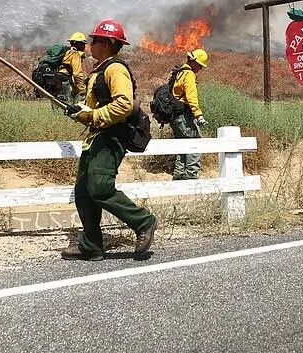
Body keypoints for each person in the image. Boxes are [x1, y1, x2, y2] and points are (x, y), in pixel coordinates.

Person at [61, 19, 157, 261]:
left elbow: (124, 103)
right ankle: (91, 246)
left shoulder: (115, 69)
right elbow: (97, 107)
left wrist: (93, 115)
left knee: (100, 187)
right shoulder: (100, 70)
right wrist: (80, 111)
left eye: (94, 41)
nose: (90, 45)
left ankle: (143, 222)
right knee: (83, 193)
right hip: (96, 138)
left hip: (111, 137)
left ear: (107, 43)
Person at [170, 49, 209, 181]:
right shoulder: (189, 74)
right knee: (194, 143)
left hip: (175, 116)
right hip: (184, 115)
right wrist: (199, 115)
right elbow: (192, 96)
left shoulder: (178, 72)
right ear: (193, 62)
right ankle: (191, 175)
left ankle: (179, 173)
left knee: (182, 143)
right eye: (199, 65)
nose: (200, 69)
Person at [58, 32, 87, 104]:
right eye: (83, 43)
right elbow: (77, 74)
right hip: (65, 80)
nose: (84, 46)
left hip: (58, 78)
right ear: (78, 44)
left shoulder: (67, 52)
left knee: (59, 101)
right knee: (67, 105)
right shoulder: (75, 54)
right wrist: (83, 90)